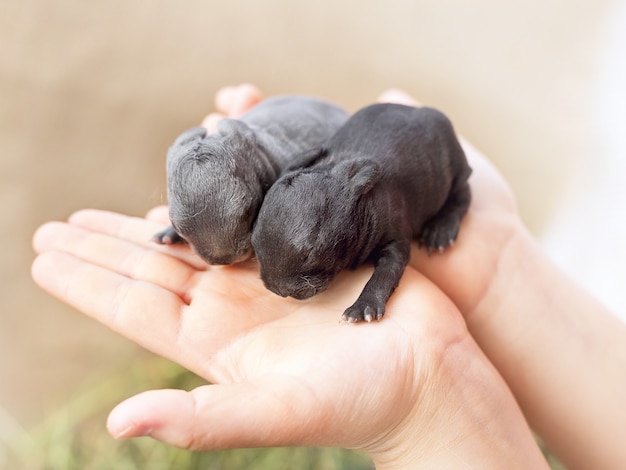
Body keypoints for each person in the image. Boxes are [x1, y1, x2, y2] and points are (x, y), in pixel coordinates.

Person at [31, 84, 626, 469]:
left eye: (246, 228)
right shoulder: (277, 176)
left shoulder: (374, 218)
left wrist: (485, 270)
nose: (231, 263)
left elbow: (382, 240)